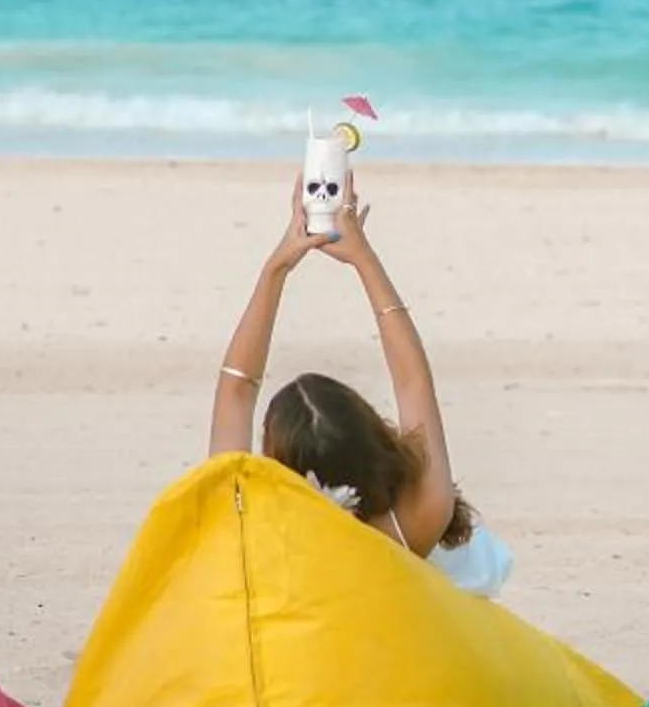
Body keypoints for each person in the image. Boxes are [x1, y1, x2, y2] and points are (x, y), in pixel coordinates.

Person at [208, 166, 510, 592]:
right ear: (368, 432)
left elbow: (237, 389)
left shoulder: (252, 526)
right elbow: (413, 383)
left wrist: (275, 269)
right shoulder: (413, 523)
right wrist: (363, 257)